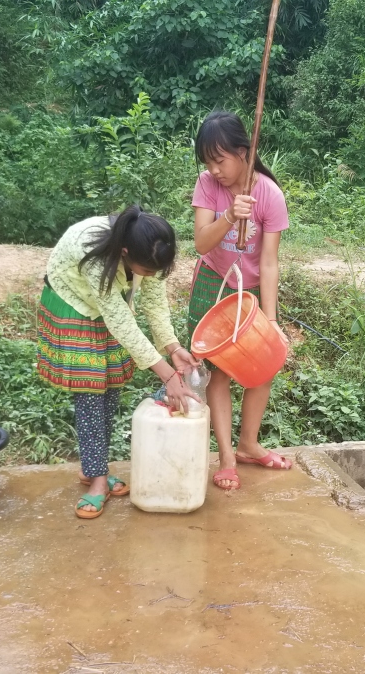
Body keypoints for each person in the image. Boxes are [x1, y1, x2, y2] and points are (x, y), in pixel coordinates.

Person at [38, 206, 198, 519]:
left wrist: (173, 346)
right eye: (147, 271)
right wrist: (167, 375)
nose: (150, 276)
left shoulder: (151, 248)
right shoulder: (94, 253)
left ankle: (92, 466)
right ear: (124, 253)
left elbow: (153, 302)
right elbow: (120, 320)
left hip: (109, 307)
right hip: (75, 302)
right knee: (90, 393)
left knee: (109, 388)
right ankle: (98, 482)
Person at [187, 110, 292, 491]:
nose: (215, 170)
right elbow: (200, 243)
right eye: (208, 162)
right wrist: (230, 215)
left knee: (264, 366)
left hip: (249, 295)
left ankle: (249, 443)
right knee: (220, 372)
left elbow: (268, 261)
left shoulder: (269, 194)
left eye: (221, 160)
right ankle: (227, 456)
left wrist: (272, 319)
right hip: (213, 287)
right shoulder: (207, 186)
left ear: (243, 152)